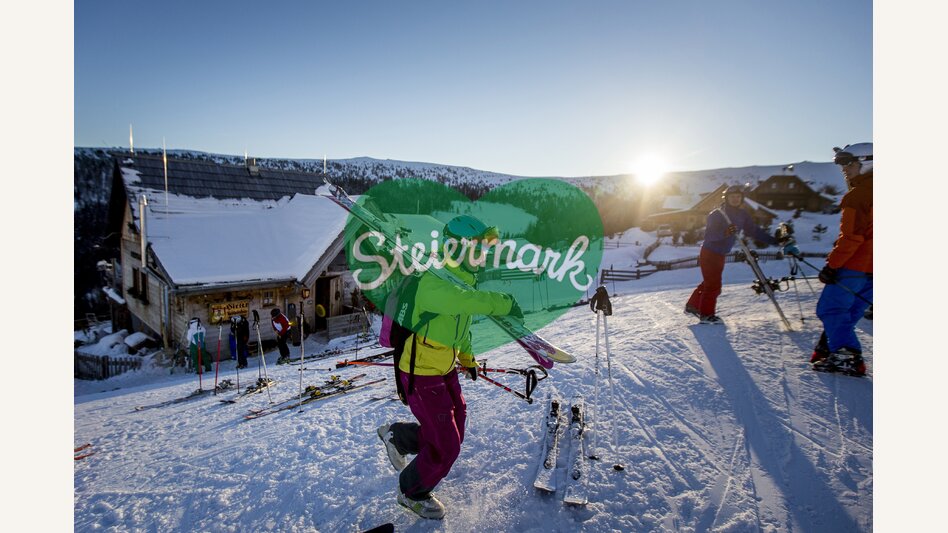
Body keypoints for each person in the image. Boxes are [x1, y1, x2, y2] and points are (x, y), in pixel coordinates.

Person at [376, 215, 523, 520]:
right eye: (478, 249)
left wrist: (467, 359)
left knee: (455, 427)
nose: (483, 256)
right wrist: (506, 302)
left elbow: (462, 328)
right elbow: (470, 303)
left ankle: (398, 437)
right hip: (420, 372)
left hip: (444, 368)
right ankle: (410, 491)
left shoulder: (463, 281)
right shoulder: (434, 281)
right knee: (447, 444)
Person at [685, 185, 794, 324]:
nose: (735, 199)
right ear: (726, 198)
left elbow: (753, 231)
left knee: (710, 282)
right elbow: (710, 236)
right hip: (709, 252)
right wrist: (725, 232)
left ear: (742, 198)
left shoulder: (742, 215)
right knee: (713, 284)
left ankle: (692, 305)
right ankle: (706, 315)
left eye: (738, 197)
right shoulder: (717, 214)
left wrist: (774, 241)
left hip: (721, 253)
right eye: (732, 197)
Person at [811, 143, 872, 375]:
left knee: (831, 309)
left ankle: (847, 356)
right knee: (852, 310)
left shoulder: (858, 196)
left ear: (867, 162)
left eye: (849, 163)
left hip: (856, 264)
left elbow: (851, 238)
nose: (844, 169)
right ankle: (830, 347)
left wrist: (832, 265)